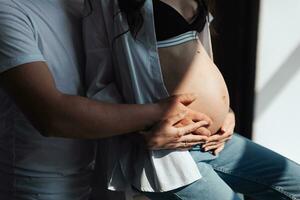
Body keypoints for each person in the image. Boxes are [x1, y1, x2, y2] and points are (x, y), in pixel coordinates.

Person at [84, 0, 300, 199]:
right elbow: (100, 83)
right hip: (168, 152)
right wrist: (137, 133)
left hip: (213, 141)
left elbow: (197, 58)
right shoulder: (110, 3)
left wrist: (226, 111)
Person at [0, 0, 212, 199]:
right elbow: (51, 116)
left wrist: (217, 108)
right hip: (38, 185)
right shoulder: (8, 11)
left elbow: (141, 73)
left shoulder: (91, 4)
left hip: (102, 172)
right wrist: (158, 114)